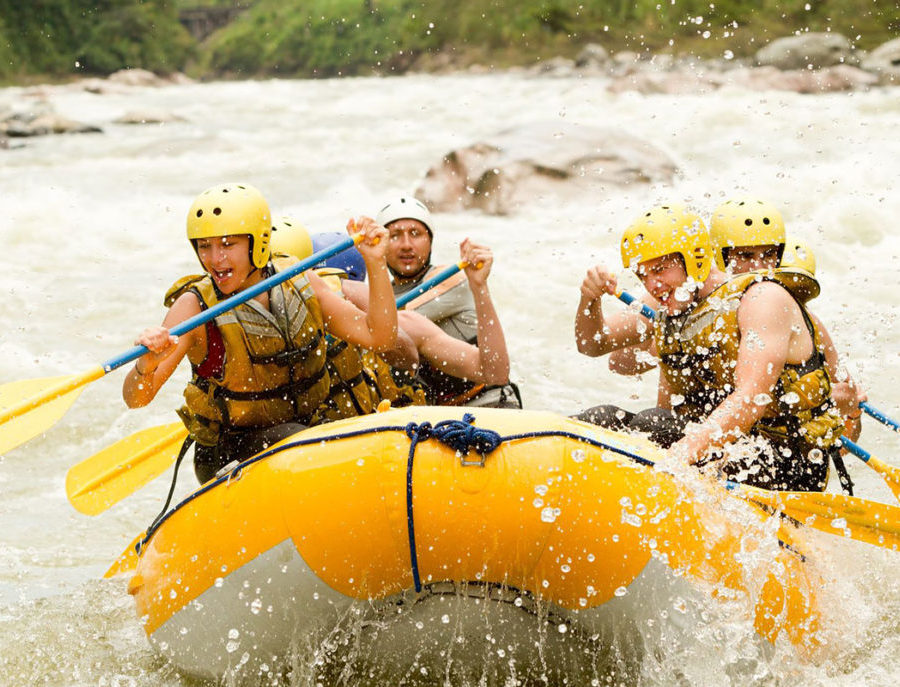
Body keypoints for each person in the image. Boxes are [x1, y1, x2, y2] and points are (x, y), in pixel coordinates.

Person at [122, 183, 397, 483]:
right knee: (298, 440)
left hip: (308, 431)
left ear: (259, 242)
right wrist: (145, 366)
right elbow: (136, 399)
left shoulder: (299, 281)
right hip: (231, 450)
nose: (215, 259)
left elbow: (379, 337)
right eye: (205, 246)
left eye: (228, 244)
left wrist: (376, 261)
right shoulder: (194, 308)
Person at [574, 203, 845, 492]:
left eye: (661, 269)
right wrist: (589, 299)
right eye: (643, 275)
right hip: (719, 446)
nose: (652, 285)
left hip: (788, 462)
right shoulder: (669, 299)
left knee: (655, 423)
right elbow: (593, 343)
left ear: (695, 260)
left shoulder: (761, 299)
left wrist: (675, 460)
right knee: (601, 419)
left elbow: (751, 398)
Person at [374, 196, 522, 408]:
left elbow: (390, 320)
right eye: (395, 236)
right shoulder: (381, 294)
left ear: (430, 241)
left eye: (415, 234)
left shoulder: (452, 278)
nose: (406, 245)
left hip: (488, 402)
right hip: (437, 417)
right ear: (382, 244)